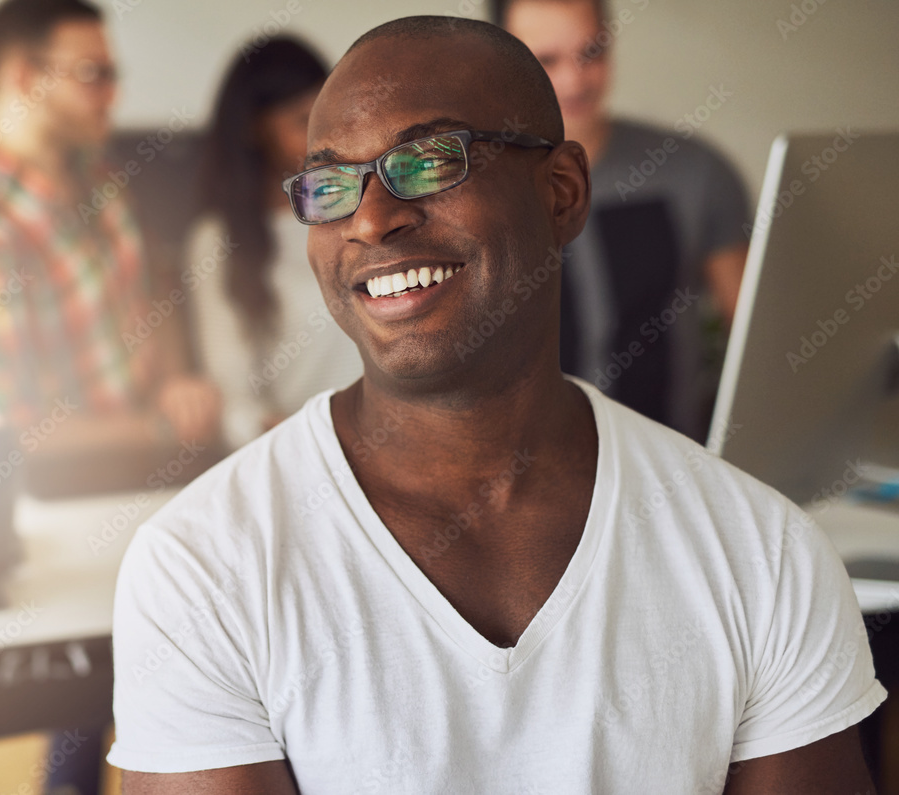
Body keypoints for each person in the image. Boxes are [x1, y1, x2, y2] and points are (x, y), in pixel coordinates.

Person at [108, 16, 885, 794]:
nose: (372, 219)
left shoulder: (764, 553)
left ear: (562, 193)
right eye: (331, 185)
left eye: (429, 161)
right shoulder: (202, 564)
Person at [0, 0, 221, 494]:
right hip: (67, 494)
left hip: (162, 469)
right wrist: (163, 427)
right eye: (93, 75)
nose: (113, 94)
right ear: (23, 77)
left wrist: (176, 383)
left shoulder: (99, 176)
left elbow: (155, 285)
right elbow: (11, 430)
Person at [497, 0, 752, 442]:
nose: (576, 80)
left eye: (591, 53)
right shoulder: (477, 187)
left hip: (670, 462)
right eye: (547, 60)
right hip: (524, 471)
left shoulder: (693, 170)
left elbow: (755, 334)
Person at [187, 37, 363, 449]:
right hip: (304, 452)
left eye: (330, 117)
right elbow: (236, 400)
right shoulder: (219, 242)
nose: (324, 139)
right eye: (304, 121)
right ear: (254, 130)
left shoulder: (364, 209)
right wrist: (310, 445)